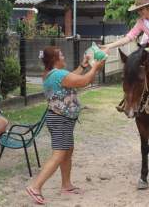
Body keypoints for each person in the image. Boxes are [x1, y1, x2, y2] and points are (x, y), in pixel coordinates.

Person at [26, 46, 105, 205]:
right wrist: (94, 68)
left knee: (67, 151)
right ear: (55, 59)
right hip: (60, 120)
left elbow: (72, 78)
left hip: (61, 119)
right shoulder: (59, 74)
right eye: (61, 54)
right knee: (59, 154)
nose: (64, 56)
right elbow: (82, 81)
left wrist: (83, 66)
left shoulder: (53, 74)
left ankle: (66, 185)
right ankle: (35, 186)